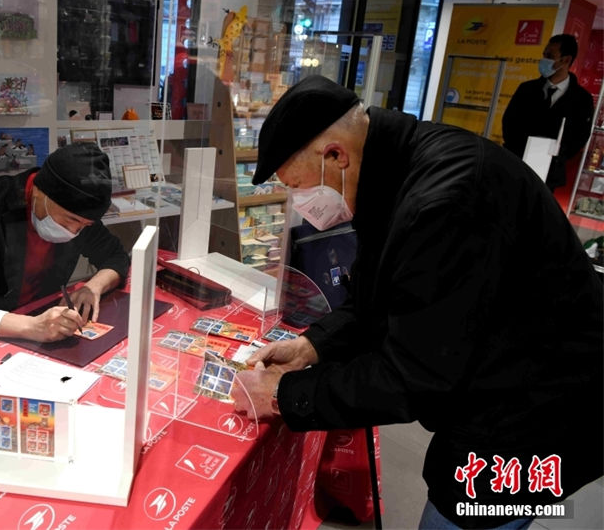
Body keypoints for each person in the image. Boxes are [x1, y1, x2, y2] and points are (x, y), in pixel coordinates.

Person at [233, 75, 603, 529]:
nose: (302, 204)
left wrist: (282, 395)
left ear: (335, 155)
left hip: (538, 415)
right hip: (503, 383)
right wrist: (314, 345)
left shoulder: (446, 201)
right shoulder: (395, 171)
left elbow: (413, 376)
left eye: (300, 188)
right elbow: (382, 298)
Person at [0, 141, 130, 343]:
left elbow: (116, 256)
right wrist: (31, 327)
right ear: (40, 192)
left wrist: (94, 286)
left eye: (85, 225)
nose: (75, 231)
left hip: (39, 328)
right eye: (71, 220)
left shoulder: (78, 215)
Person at [502, 33, 594, 192]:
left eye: (550, 56)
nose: (544, 59)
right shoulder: (527, 89)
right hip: (516, 163)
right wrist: (520, 150)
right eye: (544, 54)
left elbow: (580, 136)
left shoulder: (582, 99)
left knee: (534, 212)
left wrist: (556, 155)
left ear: (566, 60)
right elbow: (509, 123)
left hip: (549, 172)